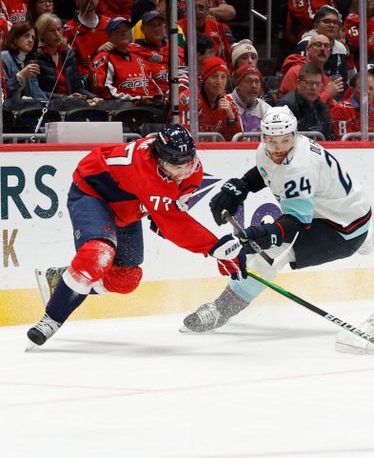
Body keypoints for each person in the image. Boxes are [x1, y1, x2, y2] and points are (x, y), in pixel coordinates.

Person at [27, 125, 248, 347]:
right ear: (158, 159)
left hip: (129, 205)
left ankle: (61, 280)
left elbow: (171, 208)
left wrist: (161, 213)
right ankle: (51, 319)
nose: (183, 173)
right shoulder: (144, 170)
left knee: (126, 280)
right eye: (175, 167)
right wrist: (214, 247)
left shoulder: (189, 169)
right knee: (98, 253)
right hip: (93, 194)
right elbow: (173, 224)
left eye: (187, 164)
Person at [181, 107, 372, 332]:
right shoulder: (268, 151)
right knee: (254, 250)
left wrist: (268, 234)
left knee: (269, 256)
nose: (278, 147)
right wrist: (241, 186)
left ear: (295, 134)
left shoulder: (299, 167)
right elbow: (267, 169)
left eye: (285, 140)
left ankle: (219, 311)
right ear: (263, 137)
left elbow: (296, 223)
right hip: (331, 215)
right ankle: (234, 297)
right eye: (272, 141)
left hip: (344, 230)